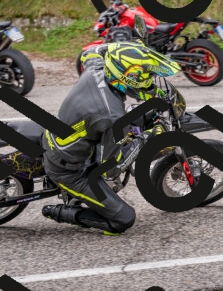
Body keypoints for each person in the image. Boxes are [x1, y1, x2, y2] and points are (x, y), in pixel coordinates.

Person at [41, 41, 181, 235]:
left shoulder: (97, 68)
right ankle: (61, 212)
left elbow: (92, 51)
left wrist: (129, 48)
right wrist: (146, 139)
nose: (150, 80)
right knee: (124, 219)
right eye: (147, 76)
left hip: (64, 133)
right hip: (69, 170)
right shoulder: (113, 118)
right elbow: (111, 170)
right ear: (128, 77)